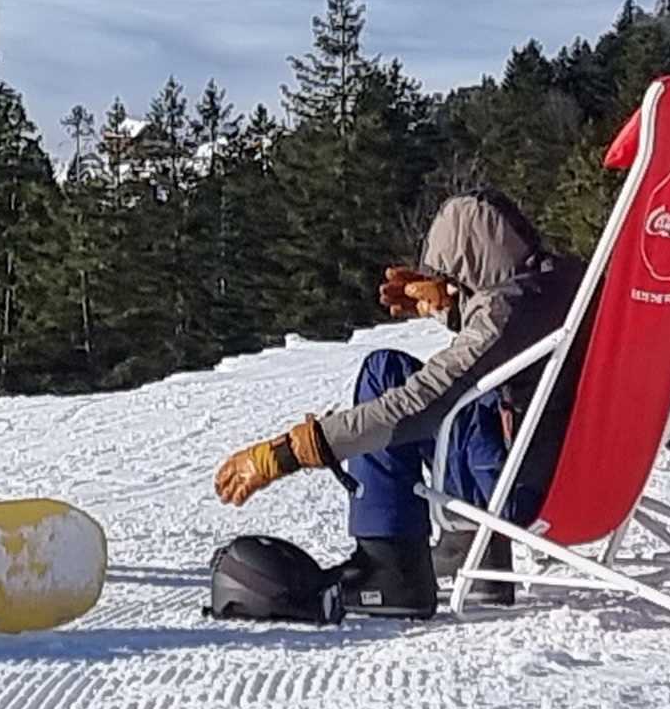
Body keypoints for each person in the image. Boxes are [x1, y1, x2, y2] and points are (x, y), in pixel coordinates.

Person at [210, 189, 583, 615]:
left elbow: (418, 402)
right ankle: (475, 551)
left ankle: (392, 572)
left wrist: (294, 449)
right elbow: (507, 349)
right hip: (583, 478)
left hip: (521, 489)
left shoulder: (506, 311)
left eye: (453, 279)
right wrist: (454, 309)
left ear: (469, 262)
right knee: (481, 400)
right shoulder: (569, 285)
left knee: (386, 374)